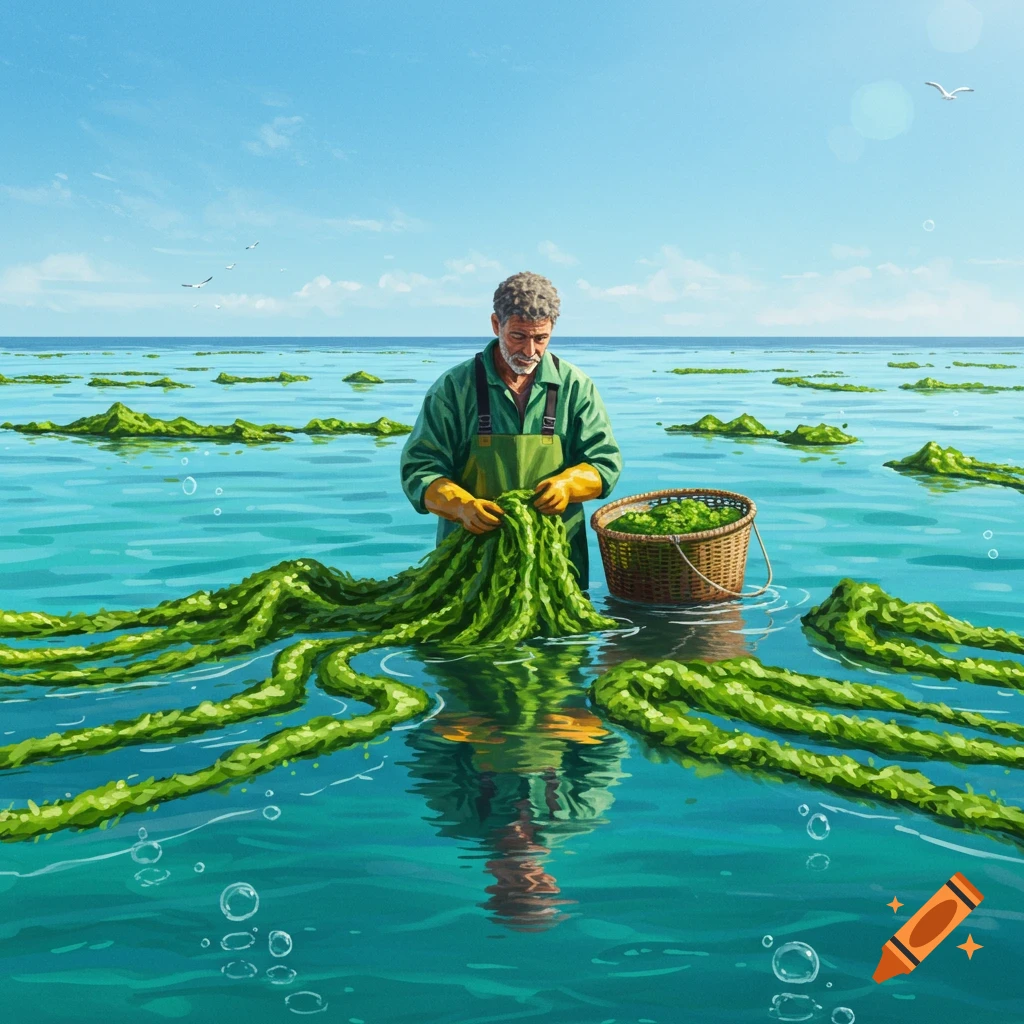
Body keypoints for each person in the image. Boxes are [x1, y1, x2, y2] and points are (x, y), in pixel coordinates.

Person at [400, 271, 622, 585]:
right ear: (496, 324)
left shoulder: (575, 386)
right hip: (470, 566)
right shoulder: (454, 388)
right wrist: (462, 507)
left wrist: (568, 485)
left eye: (540, 338)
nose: (530, 351)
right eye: (518, 336)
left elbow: (605, 465)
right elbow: (418, 470)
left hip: (558, 566)